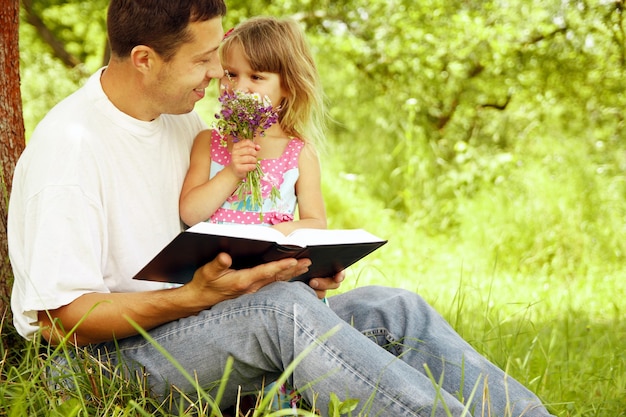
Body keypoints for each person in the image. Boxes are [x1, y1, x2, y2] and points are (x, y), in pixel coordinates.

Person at [7, 1, 554, 416]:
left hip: (196, 321)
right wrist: (195, 297)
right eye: (204, 61)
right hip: (97, 365)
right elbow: (59, 319)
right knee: (281, 314)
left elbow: (216, 225)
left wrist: (292, 261)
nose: (218, 78)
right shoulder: (72, 149)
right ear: (146, 60)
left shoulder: (181, 120)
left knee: (393, 310)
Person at [179, 17, 327, 236]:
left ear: (287, 85)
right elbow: (189, 214)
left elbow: (317, 223)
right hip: (216, 265)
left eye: (256, 77)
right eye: (231, 74)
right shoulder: (209, 142)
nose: (240, 87)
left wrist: (274, 234)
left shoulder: (298, 153)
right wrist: (232, 172)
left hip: (268, 263)